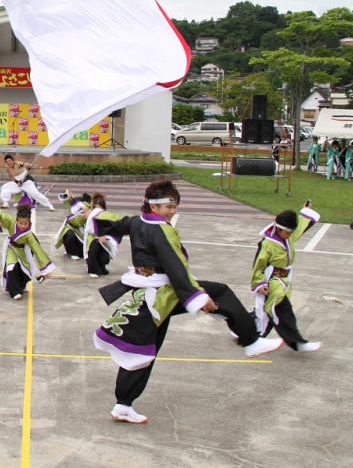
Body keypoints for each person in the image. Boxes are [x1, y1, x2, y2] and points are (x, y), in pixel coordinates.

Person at [92, 180, 283, 424]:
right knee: (219, 294)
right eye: (168, 206)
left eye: (175, 206)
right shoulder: (161, 229)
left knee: (145, 349)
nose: (172, 211)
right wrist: (197, 296)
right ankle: (251, 340)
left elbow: (117, 223)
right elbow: (175, 265)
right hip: (162, 292)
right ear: (155, 206)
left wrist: (96, 216)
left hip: (151, 290)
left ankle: (123, 404)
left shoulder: (139, 221)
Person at [251, 202, 322, 353]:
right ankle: (296, 342)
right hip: (272, 281)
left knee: (265, 311)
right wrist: (260, 283)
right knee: (281, 310)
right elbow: (259, 265)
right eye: (287, 233)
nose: (290, 236)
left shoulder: (288, 234)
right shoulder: (267, 244)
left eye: (291, 233)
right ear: (279, 228)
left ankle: (242, 329)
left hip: (284, 280)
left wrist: (305, 212)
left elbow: (301, 227)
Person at [0, 203, 55, 301]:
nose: (22, 226)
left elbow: (38, 250)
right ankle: (14, 292)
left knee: (24, 271)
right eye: (20, 223)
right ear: (17, 220)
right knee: (11, 268)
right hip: (11, 248)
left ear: (29, 222)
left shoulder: (29, 235)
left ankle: (20, 286)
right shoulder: (11, 221)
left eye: (25, 224)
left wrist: (45, 269)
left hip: (23, 252)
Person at [83, 193, 122, 278]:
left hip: (103, 238)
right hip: (93, 238)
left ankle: (101, 267)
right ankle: (93, 269)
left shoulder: (105, 214)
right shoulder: (91, 213)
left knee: (104, 256)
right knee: (93, 253)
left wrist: (107, 236)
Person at [53, 191, 91, 260]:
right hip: (71, 227)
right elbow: (71, 200)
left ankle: (76, 252)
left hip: (82, 230)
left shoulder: (88, 208)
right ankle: (73, 252)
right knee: (69, 235)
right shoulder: (78, 205)